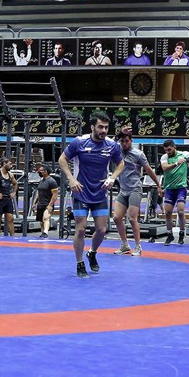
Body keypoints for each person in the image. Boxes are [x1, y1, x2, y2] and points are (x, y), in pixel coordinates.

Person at [58, 113, 124, 277]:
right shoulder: (79, 142)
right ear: (92, 127)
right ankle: (80, 263)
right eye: (100, 127)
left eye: (106, 127)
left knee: (101, 230)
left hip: (100, 193)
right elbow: (62, 159)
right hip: (80, 192)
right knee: (81, 229)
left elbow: (121, 164)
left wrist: (112, 178)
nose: (104, 130)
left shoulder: (112, 145)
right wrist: (71, 179)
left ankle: (92, 252)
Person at [113, 129, 160, 256]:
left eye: (126, 141)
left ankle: (138, 246)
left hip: (135, 189)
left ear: (131, 141)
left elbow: (149, 170)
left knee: (132, 219)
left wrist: (158, 185)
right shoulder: (117, 150)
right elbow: (108, 144)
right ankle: (124, 245)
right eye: (122, 141)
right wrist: (118, 134)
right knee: (116, 217)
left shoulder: (138, 154)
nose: (124, 144)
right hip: (123, 190)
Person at [32, 163, 59, 238]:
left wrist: (50, 205)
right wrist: (34, 203)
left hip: (47, 204)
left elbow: (55, 194)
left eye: (41, 171)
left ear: (45, 172)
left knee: (46, 218)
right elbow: (39, 193)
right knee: (41, 222)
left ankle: (46, 232)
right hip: (40, 204)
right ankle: (43, 234)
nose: (39, 172)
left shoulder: (52, 181)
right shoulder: (41, 181)